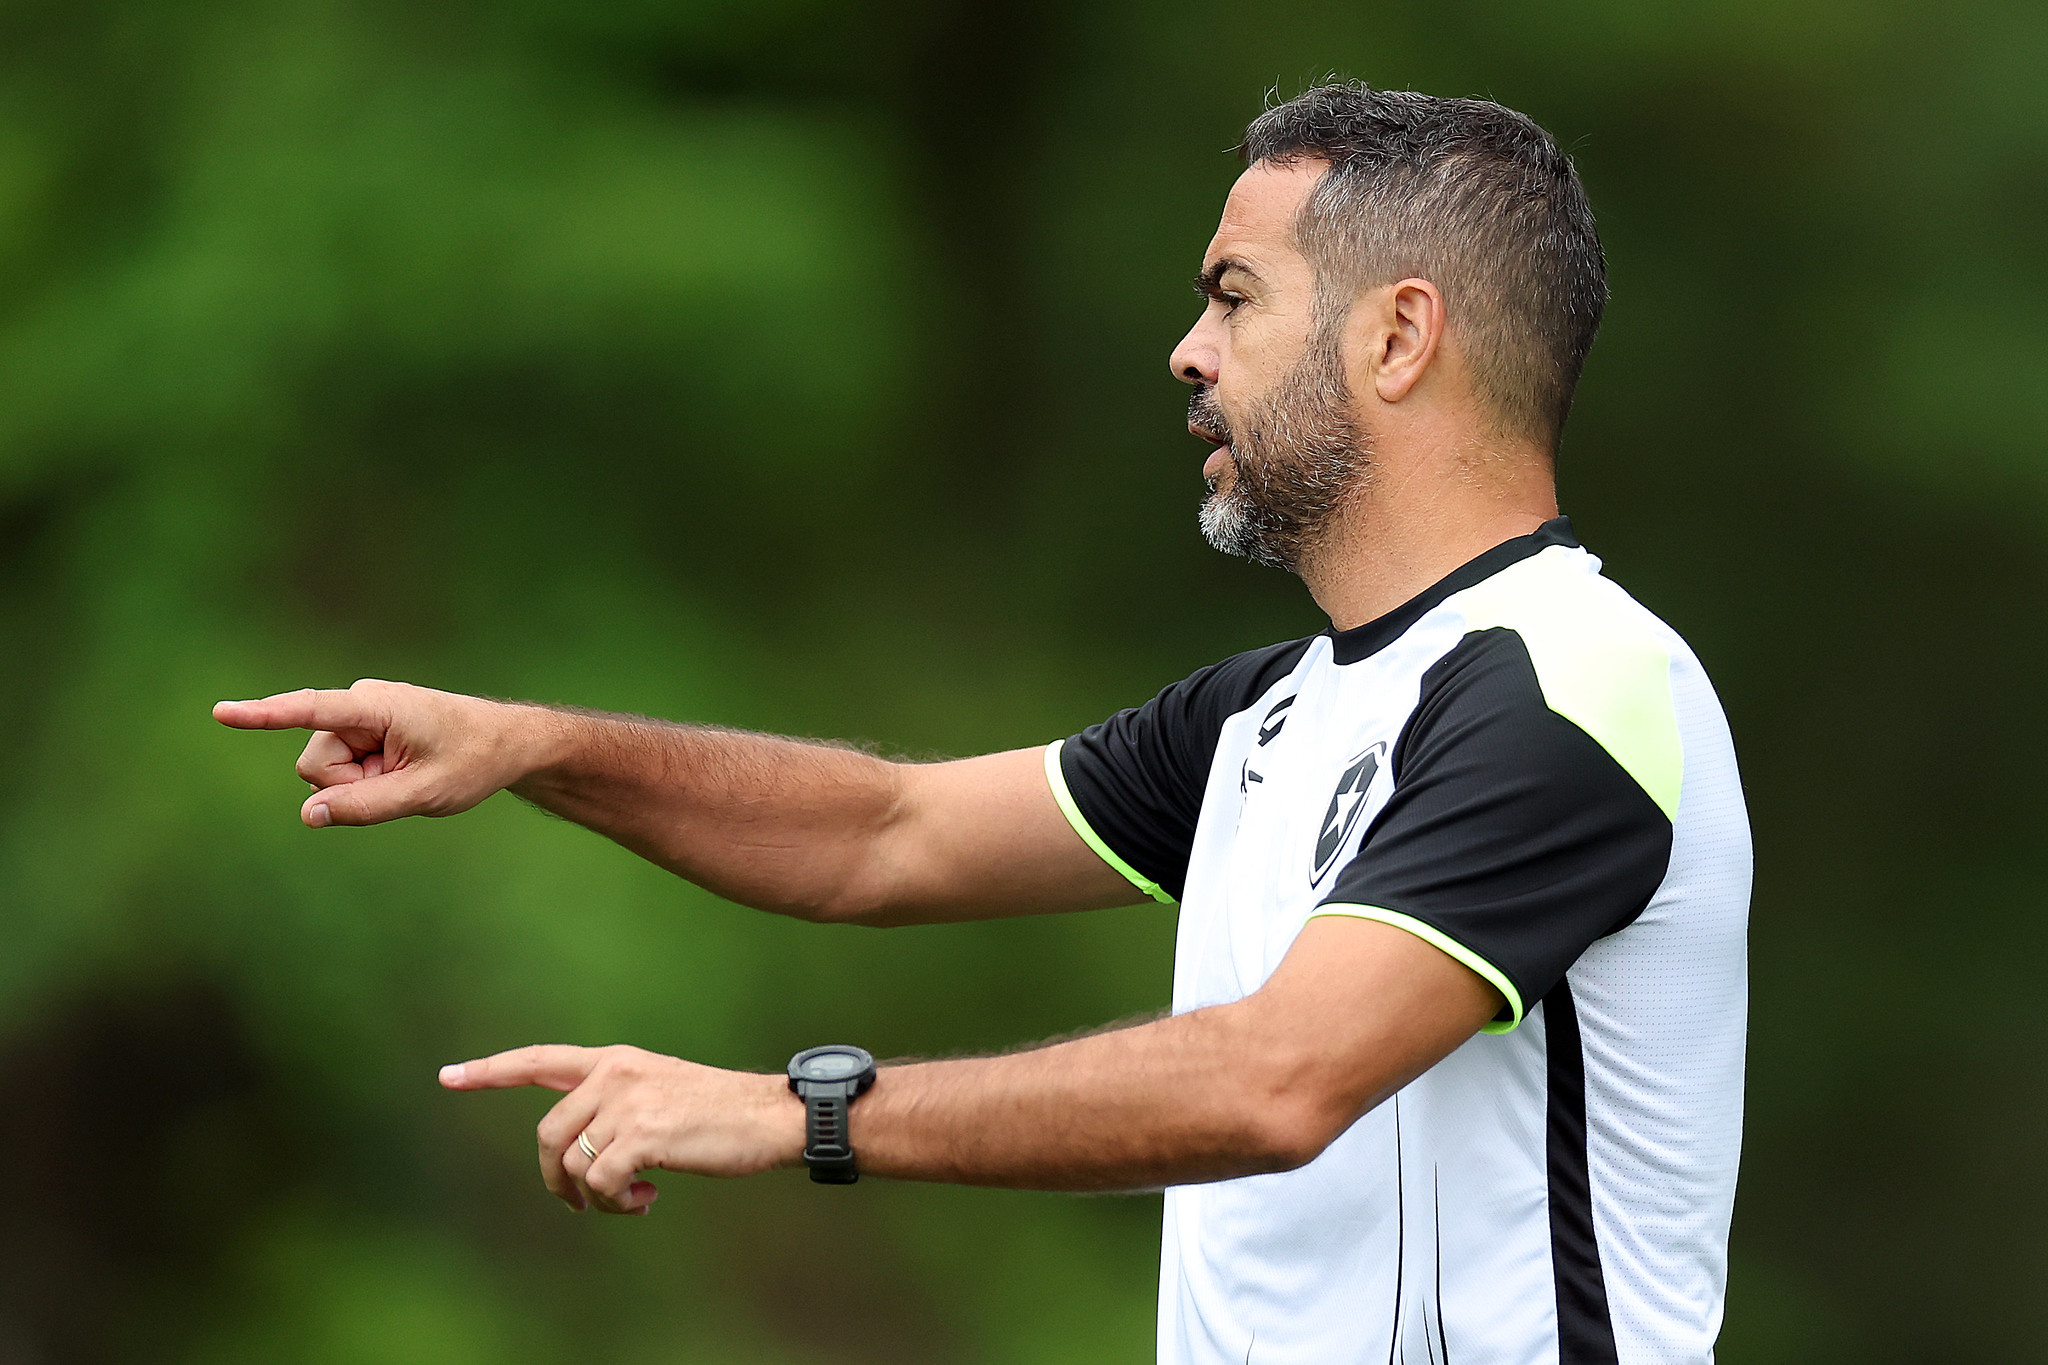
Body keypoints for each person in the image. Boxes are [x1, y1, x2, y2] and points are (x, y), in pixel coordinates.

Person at [216, 82, 1749, 1365]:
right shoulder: (1279, 712)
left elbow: (1274, 1079)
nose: (1188, 351)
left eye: (1234, 295)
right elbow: (890, 834)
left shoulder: (1571, 681)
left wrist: (795, 1111)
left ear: (1399, 337)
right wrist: (538, 746)